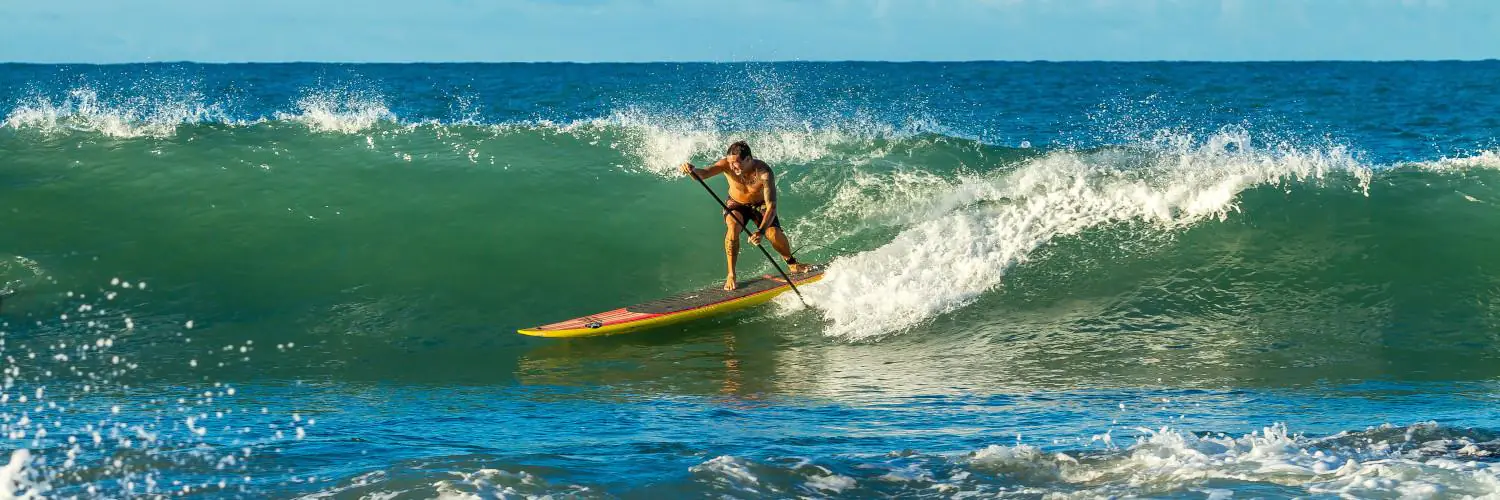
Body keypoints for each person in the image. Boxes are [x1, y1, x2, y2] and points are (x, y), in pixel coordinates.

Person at [680, 141, 810, 290]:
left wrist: (760, 232)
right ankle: (731, 274)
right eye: (730, 163)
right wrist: (692, 170)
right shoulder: (726, 165)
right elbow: (703, 174)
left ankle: (792, 264)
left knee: (773, 233)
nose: (733, 166)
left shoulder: (764, 173)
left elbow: (771, 206)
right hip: (736, 203)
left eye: (736, 163)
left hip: (760, 205)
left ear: (748, 159)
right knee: (733, 228)